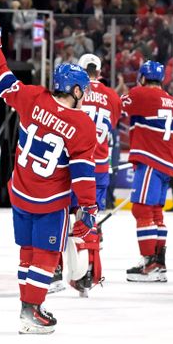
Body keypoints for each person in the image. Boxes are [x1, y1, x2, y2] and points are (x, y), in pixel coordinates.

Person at [0, 18, 96, 334]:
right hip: (50, 200)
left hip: (20, 192)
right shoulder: (82, 125)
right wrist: (88, 207)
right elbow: (83, 173)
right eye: (82, 92)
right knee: (45, 254)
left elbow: (0, 79)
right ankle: (31, 312)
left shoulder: (32, 97)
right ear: (74, 90)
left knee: (26, 253)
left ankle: (27, 306)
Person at [121, 60, 173, 282]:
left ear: (143, 78)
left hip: (151, 157)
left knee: (141, 210)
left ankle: (149, 262)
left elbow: (116, 107)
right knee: (156, 212)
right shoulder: (172, 101)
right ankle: (159, 262)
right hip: (167, 161)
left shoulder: (141, 93)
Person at [65, 53, 120, 294]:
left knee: (66, 217)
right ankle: (89, 273)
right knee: (91, 219)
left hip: (76, 163)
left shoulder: (75, 88)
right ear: (99, 71)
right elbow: (113, 125)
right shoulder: (112, 96)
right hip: (100, 166)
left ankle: (57, 270)